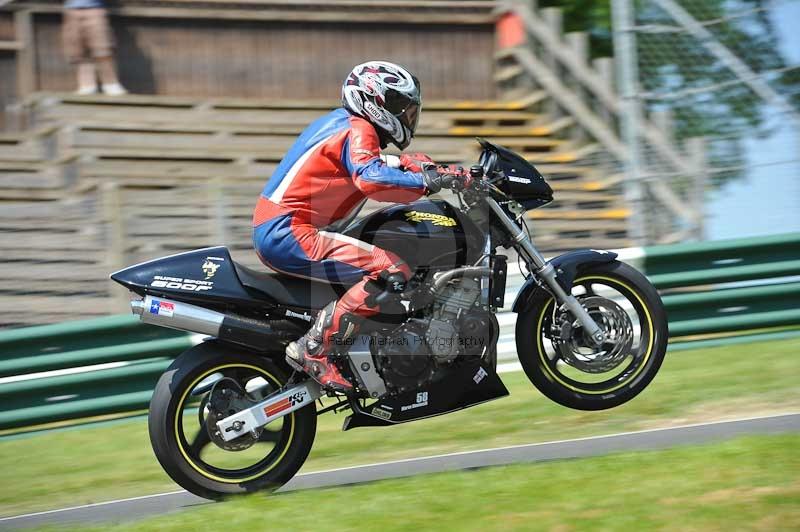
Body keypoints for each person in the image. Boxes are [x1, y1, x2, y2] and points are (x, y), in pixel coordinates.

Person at [252, 61, 463, 392]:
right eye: (399, 106)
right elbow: (370, 177)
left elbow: (382, 164)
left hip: (283, 227)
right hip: (289, 231)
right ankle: (315, 348)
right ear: (374, 102)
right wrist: (426, 181)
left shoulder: (344, 125)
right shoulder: (358, 129)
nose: (407, 115)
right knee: (390, 268)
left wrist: (432, 168)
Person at [62, 0, 127, 95]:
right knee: (79, 52)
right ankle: (86, 85)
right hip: (71, 10)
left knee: (102, 49)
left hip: (94, 9)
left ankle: (111, 84)